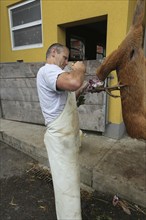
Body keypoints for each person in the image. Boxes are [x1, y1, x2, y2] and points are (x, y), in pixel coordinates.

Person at [36, 43, 86, 220]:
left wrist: (85, 88)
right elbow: (73, 82)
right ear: (54, 53)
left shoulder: (55, 75)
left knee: (70, 184)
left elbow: (70, 94)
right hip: (60, 139)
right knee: (66, 188)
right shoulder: (48, 70)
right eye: (65, 57)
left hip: (67, 139)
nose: (66, 62)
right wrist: (79, 68)